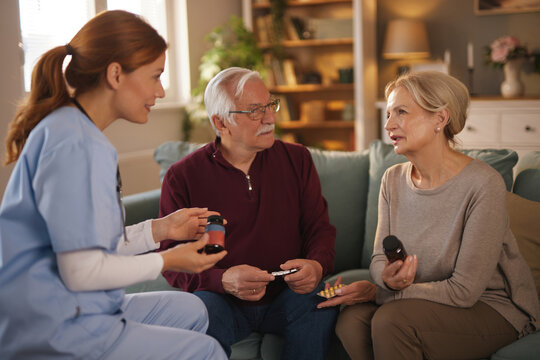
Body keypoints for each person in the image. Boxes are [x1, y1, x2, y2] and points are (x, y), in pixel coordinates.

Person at [0, 10, 228, 359]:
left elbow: (87, 244)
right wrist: (167, 260)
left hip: (67, 303)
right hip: (54, 325)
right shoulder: (78, 146)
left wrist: (160, 228)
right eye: (155, 76)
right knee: (208, 351)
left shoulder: (70, 127)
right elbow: (80, 272)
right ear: (116, 74)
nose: (161, 91)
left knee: (193, 310)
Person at [318, 71, 539, 359]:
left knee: (391, 320)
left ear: (440, 118)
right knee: (352, 320)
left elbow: (464, 291)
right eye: (388, 114)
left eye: (401, 112)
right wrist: (387, 278)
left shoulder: (483, 184)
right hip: (422, 302)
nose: (388, 124)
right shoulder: (392, 179)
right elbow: (377, 260)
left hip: (491, 306)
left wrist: (378, 292)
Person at [158, 67, 339, 359]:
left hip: (286, 296)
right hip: (221, 300)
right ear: (221, 122)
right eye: (255, 111)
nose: (270, 118)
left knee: (320, 298)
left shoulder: (297, 159)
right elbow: (171, 260)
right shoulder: (183, 177)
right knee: (199, 309)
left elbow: (319, 229)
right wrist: (222, 280)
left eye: (270, 105)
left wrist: (316, 265)